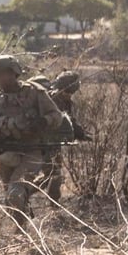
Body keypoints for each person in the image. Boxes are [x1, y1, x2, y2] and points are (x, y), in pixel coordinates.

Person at [0, 55, 64, 227]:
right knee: (12, 199)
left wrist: (43, 121)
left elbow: (57, 116)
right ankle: (24, 228)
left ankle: (24, 234)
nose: (1, 78)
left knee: (15, 193)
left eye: (4, 74)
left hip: (32, 152)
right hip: (8, 154)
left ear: (14, 73)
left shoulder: (35, 93)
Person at [42, 70, 85, 201]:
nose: (70, 95)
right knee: (53, 174)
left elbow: (69, 121)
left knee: (53, 173)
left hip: (52, 142)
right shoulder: (53, 99)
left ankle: (52, 202)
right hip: (45, 142)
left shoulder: (61, 99)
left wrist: (78, 132)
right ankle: (52, 204)